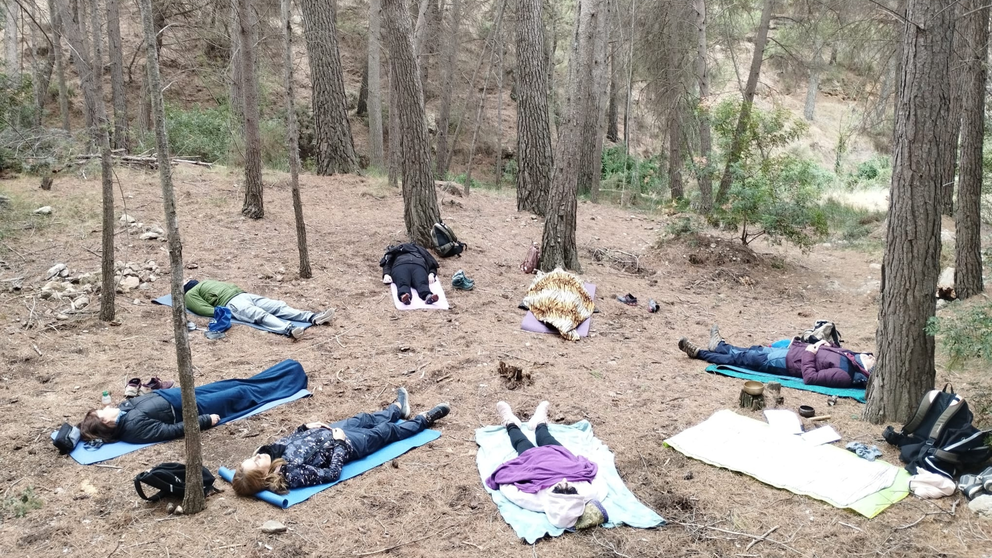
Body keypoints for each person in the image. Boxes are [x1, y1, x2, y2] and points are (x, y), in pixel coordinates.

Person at [231, 388, 449, 495]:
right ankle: (425, 418)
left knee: (366, 418)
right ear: (265, 474)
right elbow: (331, 473)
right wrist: (340, 444)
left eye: (252, 457)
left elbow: (292, 439)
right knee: (387, 431)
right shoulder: (292, 474)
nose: (258, 455)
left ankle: (397, 409)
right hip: (346, 444)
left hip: (329, 431)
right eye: (257, 461)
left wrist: (306, 427)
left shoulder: (271, 453)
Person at [78, 362, 309, 444]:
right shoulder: (133, 430)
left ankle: (286, 369)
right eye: (102, 412)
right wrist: (205, 420)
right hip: (194, 409)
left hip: (186, 394)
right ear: (106, 425)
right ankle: (291, 381)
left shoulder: (123, 412)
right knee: (241, 392)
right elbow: (172, 431)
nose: (107, 407)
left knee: (233, 382)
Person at [485, 401, 608, 530]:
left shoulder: (537, 501)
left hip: (533, 460)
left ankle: (510, 423)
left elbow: (507, 489)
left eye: (560, 487)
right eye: (570, 488)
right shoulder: (588, 494)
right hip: (561, 457)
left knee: (521, 442)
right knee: (546, 438)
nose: (564, 480)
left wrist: (512, 475)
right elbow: (600, 480)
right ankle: (539, 422)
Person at [677, 325, 875, 388]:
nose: (872, 355)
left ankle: (700, 353)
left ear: (868, 369)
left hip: (788, 363)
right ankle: (720, 345)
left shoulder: (845, 375)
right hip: (792, 351)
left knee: (746, 360)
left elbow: (810, 377)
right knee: (751, 352)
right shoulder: (851, 358)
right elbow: (828, 355)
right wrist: (824, 344)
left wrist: (809, 353)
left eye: (873, 358)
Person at [183, 279, 334, 339]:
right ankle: (301, 322)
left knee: (268, 310)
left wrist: (219, 311)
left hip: (236, 298)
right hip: (240, 296)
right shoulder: (199, 287)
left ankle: (301, 322)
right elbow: (201, 308)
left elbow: (200, 308)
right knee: (271, 308)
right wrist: (222, 311)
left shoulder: (196, 289)